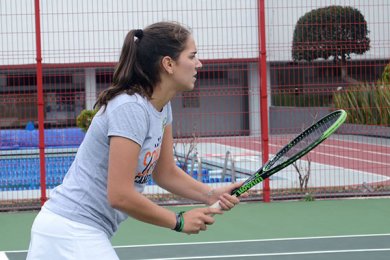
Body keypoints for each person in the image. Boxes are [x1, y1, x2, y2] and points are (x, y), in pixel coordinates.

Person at [26, 21, 244, 260]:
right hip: (70, 229)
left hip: (71, 230)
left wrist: (210, 194)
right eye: (192, 56)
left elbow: (166, 173)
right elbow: (119, 194)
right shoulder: (130, 108)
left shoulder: (161, 107)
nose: (199, 63)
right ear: (168, 64)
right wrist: (178, 221)